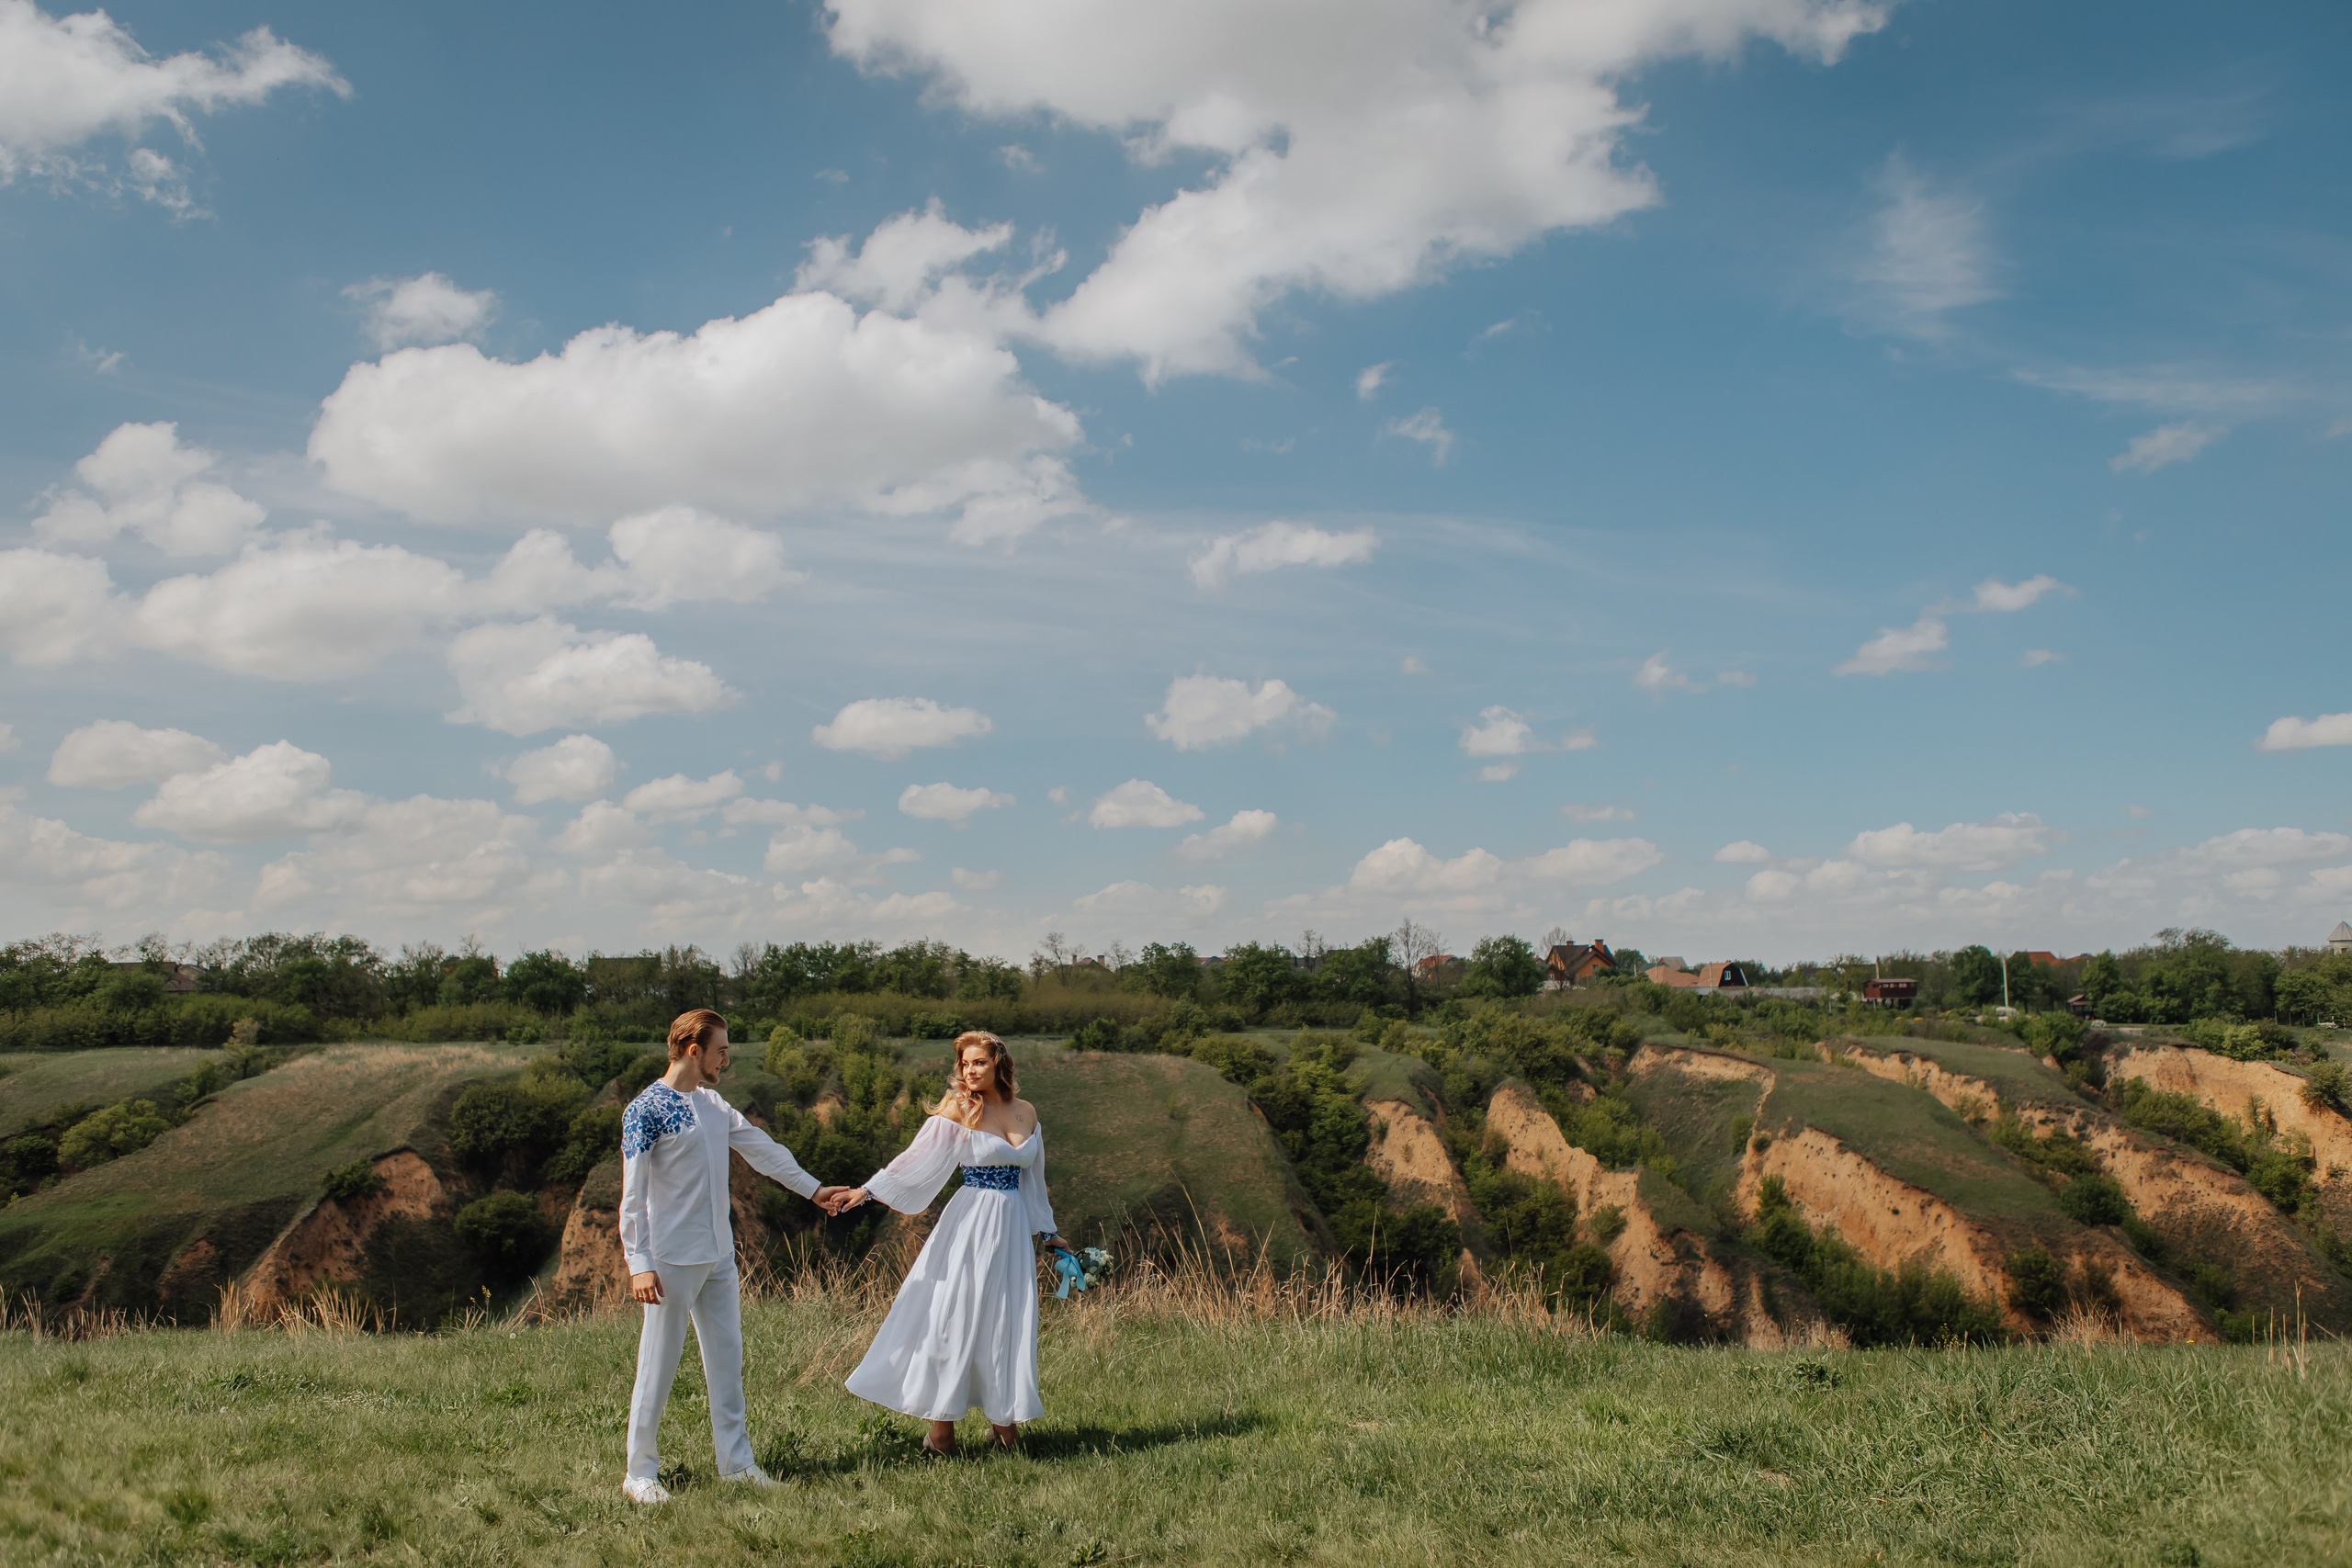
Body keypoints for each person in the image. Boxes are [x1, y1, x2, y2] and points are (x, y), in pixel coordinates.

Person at [618, 1008, 848, 1504]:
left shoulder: (714, 1104)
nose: (727, 1059)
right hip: (670, 1261)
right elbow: (632, 1196)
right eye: (721, 1050)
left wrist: (813, 1190)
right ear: (693, 1050)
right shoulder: (645, 1109)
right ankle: (640, 1473)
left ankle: (737, 1464)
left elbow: (763, 1150)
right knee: (657, 1364)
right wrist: (639, 1262)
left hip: (720, 1254)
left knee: (728, 1359)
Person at [825, 1031, 1071, 1455]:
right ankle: (941, 1432)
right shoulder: (958, 1109)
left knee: (1006, 1322)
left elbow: (1034, 1180)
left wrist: (1049, 1233)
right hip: (969, 1224)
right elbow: (912, 1160)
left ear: (999, 1063)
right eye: (965, 1064)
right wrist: (864, 1192)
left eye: (978, 1062)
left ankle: (1005, 1427)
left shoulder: (1025, 1112)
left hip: (1011, 1227)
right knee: (953, 1316)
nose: (970, 1071)